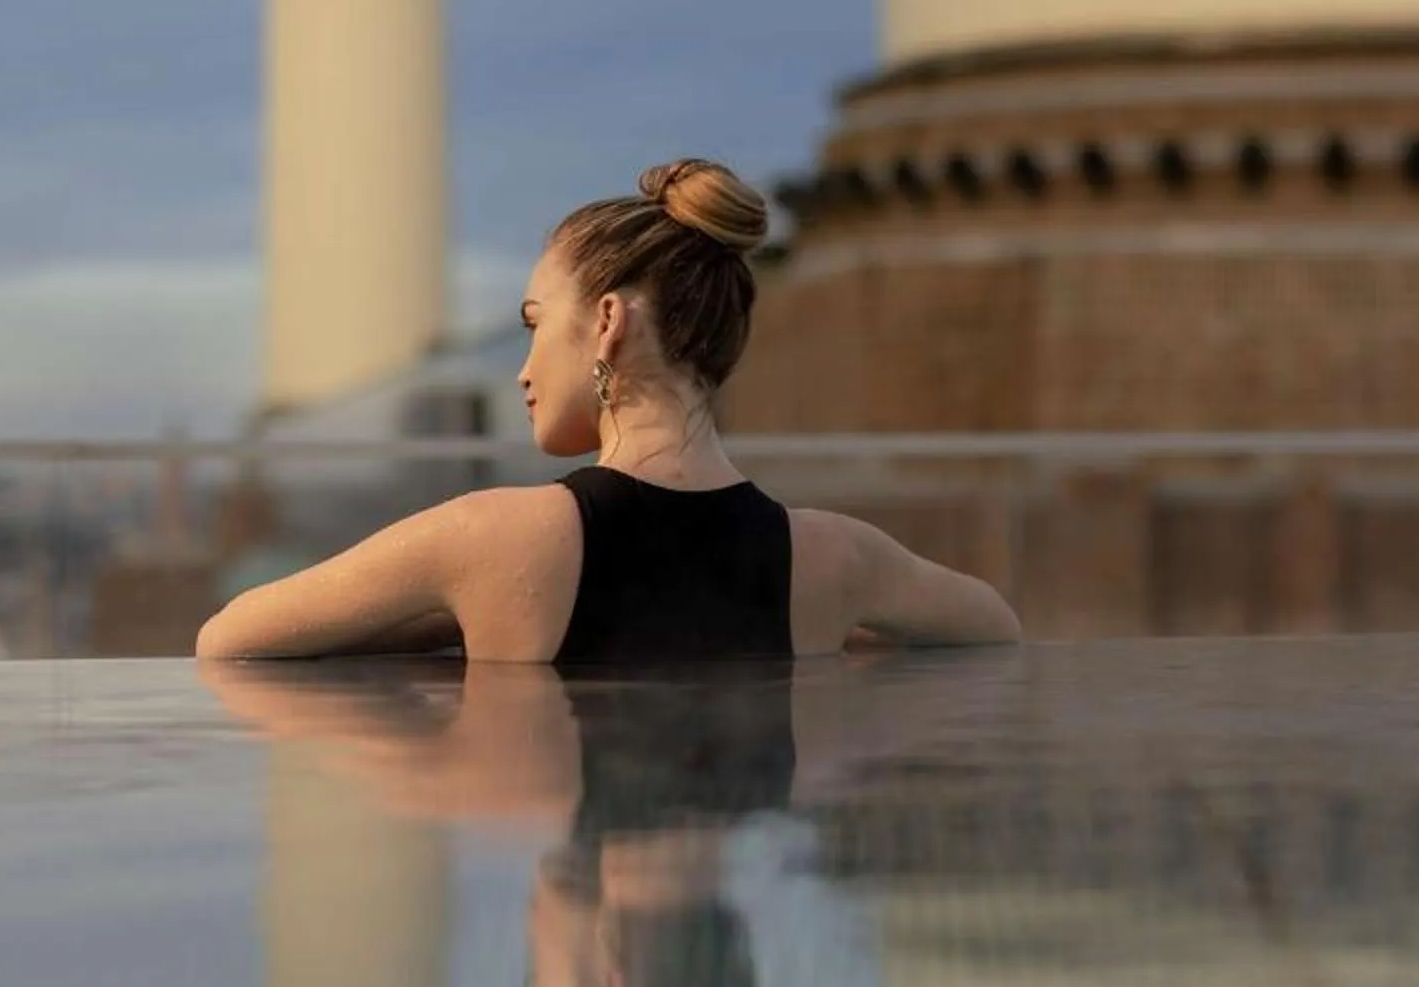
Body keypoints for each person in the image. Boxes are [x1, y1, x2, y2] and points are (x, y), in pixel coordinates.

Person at [196, 159, 1023, 662]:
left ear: (605, 323)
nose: (522, 372)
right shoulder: (838, 559)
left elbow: (231, 638)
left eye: (534, 325)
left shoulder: (491, 538)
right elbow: (993, 627)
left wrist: (437, 621)